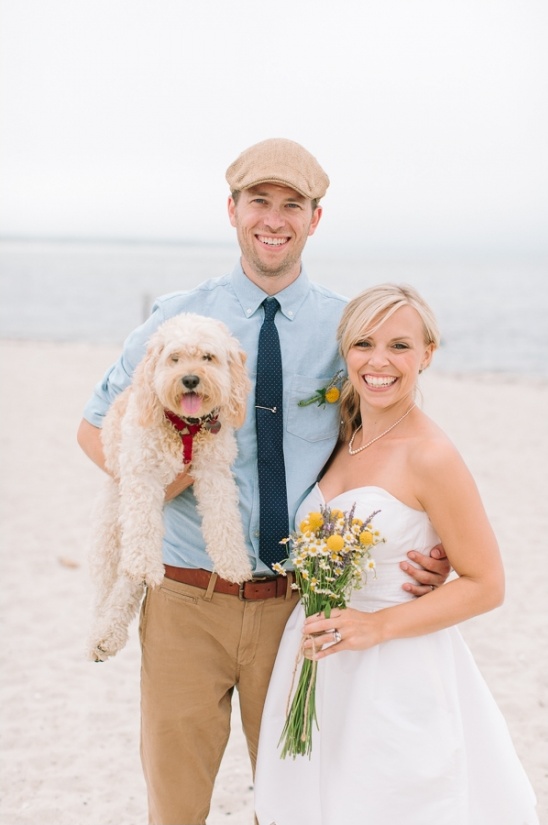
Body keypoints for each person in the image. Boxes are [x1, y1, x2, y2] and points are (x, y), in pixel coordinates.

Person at [77, 139, 450, 825]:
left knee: (297, 805)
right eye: (259, 202)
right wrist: (159, 478)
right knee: (177, 804)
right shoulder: (176, 319)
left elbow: (390, 436)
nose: (273, 219)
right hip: (188, 598)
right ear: (232, 210)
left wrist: (429, 541)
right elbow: (95, 427)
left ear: (315, 218)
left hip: (299, 606)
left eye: (292, 205)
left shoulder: (347, 327)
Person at [254, 284, 539, 825]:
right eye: (364, 343)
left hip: (395, 666)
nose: (378, 361)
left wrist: (376, 627)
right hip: (315, 656)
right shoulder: (339, 435)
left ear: (428, 354)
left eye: (400, 346)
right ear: (346, 352)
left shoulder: (432, 455)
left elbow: (488, 583)